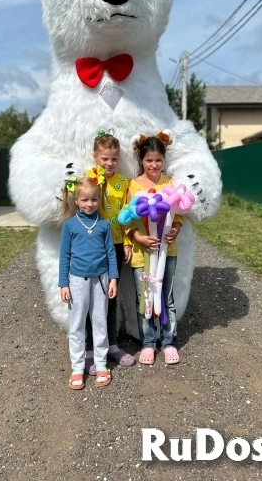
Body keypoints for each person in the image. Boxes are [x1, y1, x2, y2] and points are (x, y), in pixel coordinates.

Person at [127, 133, 183, 366]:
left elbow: (178, 213)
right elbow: (128, 219)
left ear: (164, 160)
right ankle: (148, 343)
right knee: (144, 299)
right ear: (142, 160)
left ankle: (168, 342)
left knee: (166, 297)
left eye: (158, 160)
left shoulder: (169, 184)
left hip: (167, 252)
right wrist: (140, 237)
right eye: (149, 160)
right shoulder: (133, 185)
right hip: (142, 255)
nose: (154, 165)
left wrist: (175, 229)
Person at [59, 177, 118, 390]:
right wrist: (63, 283)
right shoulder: (70, 225)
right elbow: (64, 256)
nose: (89, 204)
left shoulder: (103, 225)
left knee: (100, 321)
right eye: (84, 200)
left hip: (101, 280)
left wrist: (113, 279)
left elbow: (111, 253)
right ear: (76, 201)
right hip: (76, 281)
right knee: (76, 325)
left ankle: (101, 364)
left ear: (99, 199)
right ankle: (77, 367)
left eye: (94, 199)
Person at [84, 131, 135, 375]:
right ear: (95, 157)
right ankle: (90, 351)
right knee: (90, 297)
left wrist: (126, 242)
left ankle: (112, 346)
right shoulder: (90, 179)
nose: (109, 163)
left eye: (113, 159)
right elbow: (81, 207)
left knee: (110, 296)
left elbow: (127, 215)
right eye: (104, 158)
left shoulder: (124, 183)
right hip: (93, 246)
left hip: (115, 244)